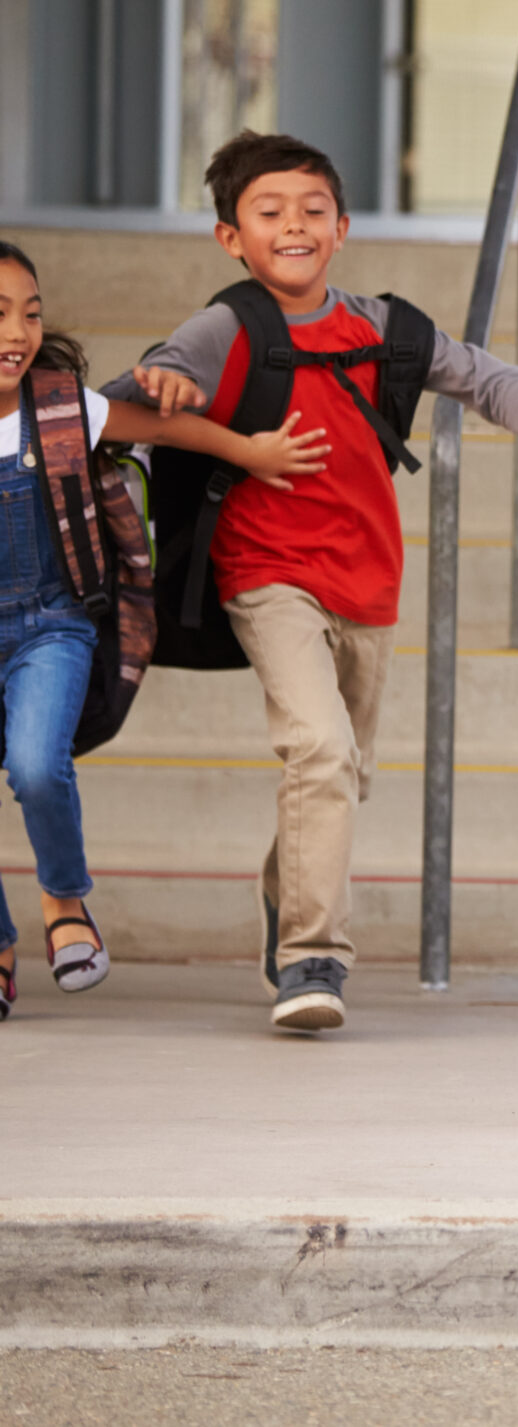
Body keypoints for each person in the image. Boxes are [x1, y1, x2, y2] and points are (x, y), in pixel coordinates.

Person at [103, 131, 518, 1034]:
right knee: (321, 754)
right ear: (230, 238)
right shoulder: (227, 327)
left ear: (341, 227)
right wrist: (172, 384)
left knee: (343, 772)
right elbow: (126, 398)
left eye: (311, 210)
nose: (293, 225)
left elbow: (490, 377)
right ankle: (309, 957)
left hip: (369, 581)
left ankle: (283, 894)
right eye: (269, 212)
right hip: (266, 575)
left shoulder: (384, 329)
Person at [0, 238, 325, 1019]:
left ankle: (64, 901)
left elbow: (168, 429)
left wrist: (251, 449)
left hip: (53, 621)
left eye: (30, 313)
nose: (17, 331)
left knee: (37, 765)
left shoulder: (62, 403)